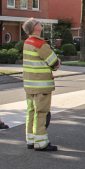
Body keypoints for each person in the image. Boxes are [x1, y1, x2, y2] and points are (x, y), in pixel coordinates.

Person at [22, 18, 60, 151]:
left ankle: (30, 139)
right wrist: (56, 64)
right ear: (35, 28)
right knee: (42, 112)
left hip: (29, 85)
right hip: (41, 85)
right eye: (38, 23)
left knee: (31, 111)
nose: (40, 24)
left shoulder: (27, 42)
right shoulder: (40, 44)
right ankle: (41, 142)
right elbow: (54, 62)